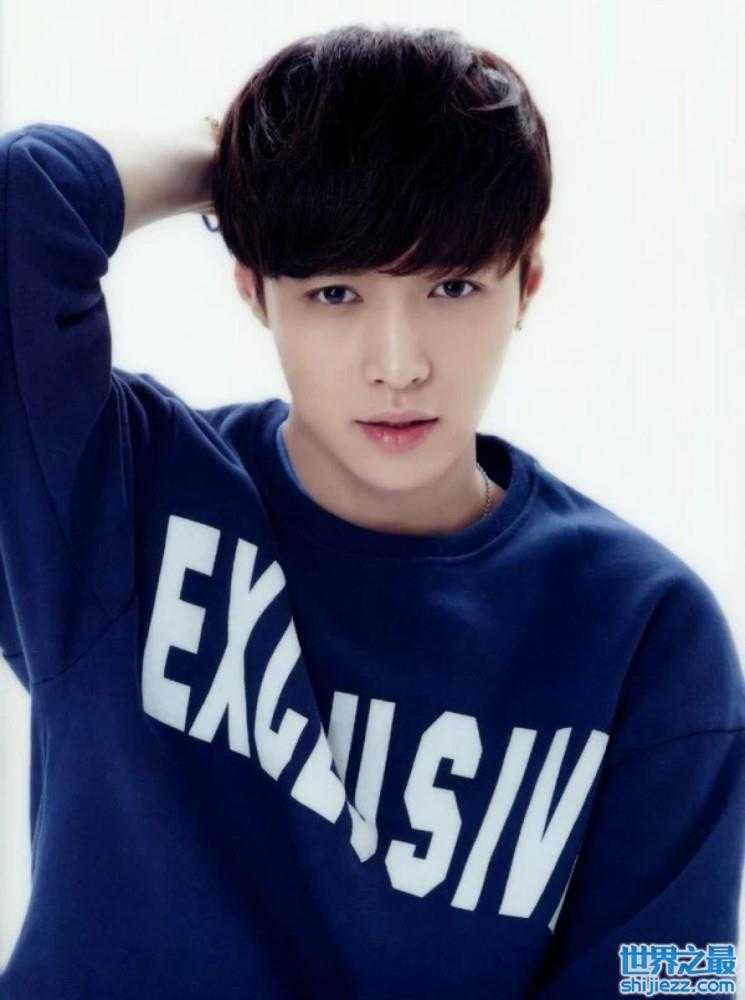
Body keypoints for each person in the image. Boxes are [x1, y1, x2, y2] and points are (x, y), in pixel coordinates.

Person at [0, 22, 743, 1000]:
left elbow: (677, 976)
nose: (399, 364)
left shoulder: (647, 630)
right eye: (335, 292)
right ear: (253, 289)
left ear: (526, 283)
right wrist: (229, 166)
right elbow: (19, 205)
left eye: (452, 285)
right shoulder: (124, 500)